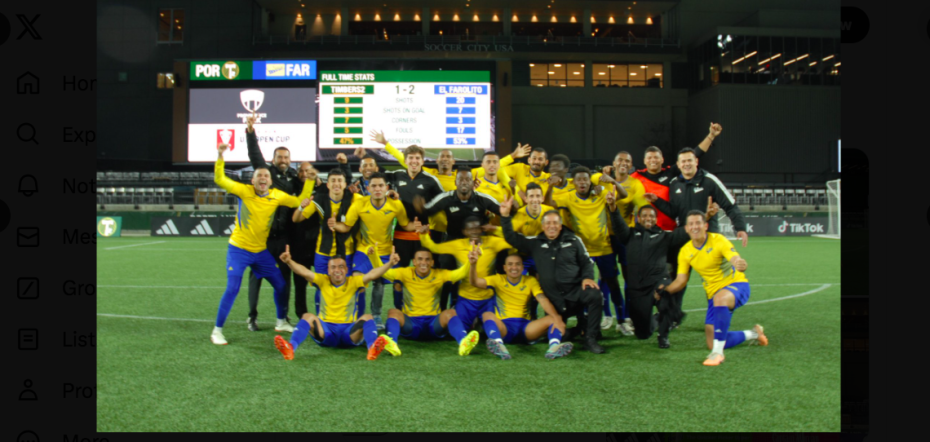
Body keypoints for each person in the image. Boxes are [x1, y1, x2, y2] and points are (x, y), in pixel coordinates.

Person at [210, 142, 314, 345]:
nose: (263, 178)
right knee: (233, 288)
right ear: (253, 180)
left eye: (266, 176)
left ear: (270, 181)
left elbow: (299, 200)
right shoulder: (243, 191)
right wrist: (220, 156)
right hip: (239, 250)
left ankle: (280, 321)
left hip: (260, 251)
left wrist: (309, 182)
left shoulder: (277, 196)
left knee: (281, 285)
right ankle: (217, 331)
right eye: (259, 176)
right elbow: (219, 178)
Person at [607, 192, 719, 348]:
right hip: (637, 287)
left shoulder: (664, 236)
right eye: (644, 215)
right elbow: (618, 224)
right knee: (643, 334)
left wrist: (706, 216)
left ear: (656, 219)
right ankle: (656, 319)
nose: (648, 218)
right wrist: (613, 207)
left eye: (651, 216)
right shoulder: (629, 235)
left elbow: (685, 231)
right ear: (638, 218)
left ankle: (664, 335)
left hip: (658, 281)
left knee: (668, 296)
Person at [657, 210, 768, 366]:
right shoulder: (685, 251)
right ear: (686, 229)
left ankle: (717, 353)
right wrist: (664, 290)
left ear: (706, 226)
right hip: (714, 296)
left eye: (698, 223)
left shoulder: (718, 240)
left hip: (736, 286)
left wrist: (738, 262)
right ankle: (754, 333)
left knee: (720, 300)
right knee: (713, 340)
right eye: (691, 224)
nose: (695, 227)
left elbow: (734, 257)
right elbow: (681, 280)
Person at [498, 196, 606, 354]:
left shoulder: (574, 240)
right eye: (548, 223)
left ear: (560, 225)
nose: (551, 226)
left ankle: (591, 339)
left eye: (555, 223)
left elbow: (586, 261)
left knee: (595, 295)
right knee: (560, 336)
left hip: (575, 293)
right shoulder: (536, 243)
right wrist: (505, 216)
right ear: (543, 226)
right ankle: (579, 329)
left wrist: (587, 277)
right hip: (554, 300)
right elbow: (511, 238)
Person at [273, 245, 402, 361]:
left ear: (346, 269)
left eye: (341, 267)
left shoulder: (354, 281)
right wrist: (289, 261)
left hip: (349, 333)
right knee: (307, 316)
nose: (337, 270)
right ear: (328, 271)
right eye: (333, 267)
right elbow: (304, 271)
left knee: (368, 317)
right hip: (326, 332)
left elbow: (372, 274)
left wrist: (390, 264)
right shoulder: (322, 280)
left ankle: (372, 348)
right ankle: (290, 348)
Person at [545, 166, 628, 340]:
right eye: (579, 179)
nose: (582, 182)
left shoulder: (600, 193)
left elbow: (623, 194)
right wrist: (550, 186)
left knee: (612, 283)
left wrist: (613, 181)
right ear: (573, 183)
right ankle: (584, 323)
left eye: (585, 179)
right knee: (581, 287)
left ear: (590, 182)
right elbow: (549, 203)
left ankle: (621, 320)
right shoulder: (568, 197)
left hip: (604, 248)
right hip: (582, 252)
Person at [367, 130, 444, 311]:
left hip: (423, 237)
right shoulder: (397, 175)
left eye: (417, 158)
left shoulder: (431, 180)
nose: (414, 161)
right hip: (401, 237)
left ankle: (428, 310)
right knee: (398, 277)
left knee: (426, 275)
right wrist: (388, 192)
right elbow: (379, 184)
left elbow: (443, 202)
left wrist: (427, 212)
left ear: (422, 161)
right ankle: (399, 311)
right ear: (406, 160)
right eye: (410, 158)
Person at [332, 172, 418, 327]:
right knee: (358, 280)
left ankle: (393, 317)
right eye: (374, 186)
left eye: (381, 185)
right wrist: (333, 225)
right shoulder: (359, 204)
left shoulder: (396, 205)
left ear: (386, 187)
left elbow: (405, 225)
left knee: (391, 283)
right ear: (368, 188)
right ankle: (359, 318)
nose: (377, 189)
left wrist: (420, 226)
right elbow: (346, 227)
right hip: (364, 250)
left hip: (385, 252)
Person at [243, 113, 300, 332]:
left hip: (283, 237)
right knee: (256, 277)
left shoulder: (294, 178)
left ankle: (282, 318)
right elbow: (254, 154)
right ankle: (252, 317)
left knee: (285, 278)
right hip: (262, 237)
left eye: (286, 157)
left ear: (290, 159)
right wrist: (251, 131)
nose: (283, 160)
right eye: (279, 157)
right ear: (273, 159)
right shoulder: (267, 173)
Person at [467, 249, 574, 360]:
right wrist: (473, 264)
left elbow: (542, 299)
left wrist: (556, 318)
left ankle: (554, 347)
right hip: (504, 328)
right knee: (487, 314)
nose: (514, 267)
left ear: (522, 267)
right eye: (510, 264)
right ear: (504, 268)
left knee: (553, 318)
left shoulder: (530, 280)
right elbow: (475, 282)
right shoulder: (497, 279)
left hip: (526, 329)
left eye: (518, 264)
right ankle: (499, 345)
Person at [416, 216, 513, 334]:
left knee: (492, 330)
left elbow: (513, 240)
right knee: (459, 329)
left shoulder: (493, 242)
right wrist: (424, 235)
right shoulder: (458, 245)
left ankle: (481, 324)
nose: (474, 231)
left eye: (477, 228)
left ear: (482, 229)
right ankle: (471, 322)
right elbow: (434, 248)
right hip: (465, 298)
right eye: (470, 229)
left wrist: (495, 229)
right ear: (464, 232)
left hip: (487, 299)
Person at [377, 249, 480, 356]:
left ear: (432, 262)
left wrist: (471, 262)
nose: (424, 262)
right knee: (393, 312)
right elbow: (383, 272)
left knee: (450, 312)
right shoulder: (404, 272)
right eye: (420, 259)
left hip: (433, 325)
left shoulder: (440, 274)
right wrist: (374, 255)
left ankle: (464, 343)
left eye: (427, 259)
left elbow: (461, 273)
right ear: (414, 261)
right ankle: (392, 343)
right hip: (411, 324)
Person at [292, 168, 363, 315]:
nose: (336, 184)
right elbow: (296, 219)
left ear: (345, 184)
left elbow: (373, 201)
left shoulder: (354, 198)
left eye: (340, 180)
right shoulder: (318, 199)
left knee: (350, 288)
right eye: (333, 181)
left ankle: (352, 319)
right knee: (321, 287)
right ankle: (322, 319)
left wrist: (390, 194)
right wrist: (301, 207)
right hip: (323, 252)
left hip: (347, 253)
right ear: (328, 184)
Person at [645, 147, 749, 246]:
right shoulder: (674, 184)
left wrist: (740, 228)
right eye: (683, 161)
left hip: (707, 235)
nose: (687, 164)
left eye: (689, 160)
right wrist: (657, 201)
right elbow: (673, 212)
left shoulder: (709, 180)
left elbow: (730, 205)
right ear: (678, 164)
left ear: (696, 161)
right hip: (685, 236)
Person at [598, 151, 651, 334]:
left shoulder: (635, 184)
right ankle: (607, 315)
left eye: (627, 161)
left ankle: (627, 316)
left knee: (630, 276)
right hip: (605, 236)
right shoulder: (602, 180)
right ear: (613, 163)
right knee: (605, 276)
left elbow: (643, 208)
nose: (623, 163)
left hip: (626, 237)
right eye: (620, 160)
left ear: (631, 165)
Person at [503, 182, 555, 320]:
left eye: (538, 196)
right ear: (525, 199)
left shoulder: (549, 213)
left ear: (542, 198)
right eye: (531, 196)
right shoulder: (519, 215)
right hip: (522, 256)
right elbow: (510, 237)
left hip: (541, 256)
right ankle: (517, 315)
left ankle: (542, 316)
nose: (535, 199)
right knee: (518, 284)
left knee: (544, 286)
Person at [292, 162, 322, 319]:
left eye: (308, 171)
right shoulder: (294, 189)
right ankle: (301, 314)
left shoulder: (322, 189)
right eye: (302, 171)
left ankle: (324, 314)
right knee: (300, 282)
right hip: (299, 244)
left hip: (319, 244)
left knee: (323, 281)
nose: (305, 174)